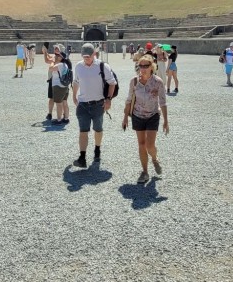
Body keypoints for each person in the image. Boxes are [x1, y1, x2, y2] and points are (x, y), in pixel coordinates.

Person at [122, 55, 169, 184]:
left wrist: (166, 121)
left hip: (153, 115)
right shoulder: (134, 81)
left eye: (145, 66)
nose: (142, 69)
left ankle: (154, 158)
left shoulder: (158, 82)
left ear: (152, 66)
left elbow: (163, 102)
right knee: (141, 144)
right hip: (137, 115)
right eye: (140, 66)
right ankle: (145, 172)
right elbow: (129, 99)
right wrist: (125, 117)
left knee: (150, 145)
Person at [71, 42, 119, 167]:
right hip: (83, 105)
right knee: (83, 130)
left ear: (94, 54)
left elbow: (112, 83)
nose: (86, 59)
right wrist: (73, 95)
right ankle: (82, 158)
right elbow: (76, 81)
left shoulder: (103, 66)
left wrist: (108, 99)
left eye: (88, 56)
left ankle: (97, 150)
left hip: (98, 104)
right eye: (84, 56)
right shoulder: (78, 66)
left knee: (98, 129)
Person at [48, 53, 70, 124]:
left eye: (58, 55)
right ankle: (66, 118)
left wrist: (52, 62)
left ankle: (59, 120)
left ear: (61, 57)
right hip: (65, 86)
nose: (56, 56)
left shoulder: (59, 65)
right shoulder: (65, 65)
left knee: (58, 104)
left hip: (58, 86)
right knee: (65, 102)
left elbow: (51, 69)